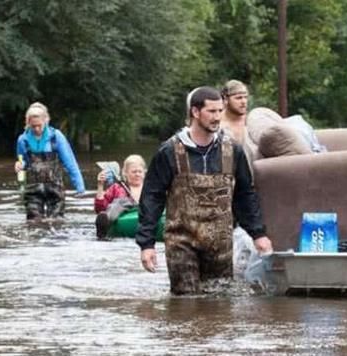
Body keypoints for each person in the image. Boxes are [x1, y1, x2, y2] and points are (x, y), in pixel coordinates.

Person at [136, 86, 273, 295]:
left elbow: (245, 196)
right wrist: (146, 244)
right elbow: (152, 198)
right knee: (186, 306)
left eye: (220, 111)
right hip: (181, 243)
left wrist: (258, 234)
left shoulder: (232, 151)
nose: (217, 117)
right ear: (195, 112)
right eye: (211, 111)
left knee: (219, 307)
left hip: (220, 246)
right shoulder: (169, 151)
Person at [14, 102, 85, 220]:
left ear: (46, 121)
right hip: (33, 189)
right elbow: (24, 162)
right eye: (33, 126)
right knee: (33, 222)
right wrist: (19, 165)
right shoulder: (23, 140)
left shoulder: (56, 137)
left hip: (55, 188)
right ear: (28, 123)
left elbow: (70, 162)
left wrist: (79, 186)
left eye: (39, 125)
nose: (37, 129)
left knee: (57, 221)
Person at [94, 154, 147, 239]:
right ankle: (105, 224)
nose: (137, 174)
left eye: (140, 171)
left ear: (144, 172)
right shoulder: (117, 188)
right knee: (120, 202)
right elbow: (100, 209)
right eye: (134, 172)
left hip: (146, 212)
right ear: (125, 173)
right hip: (123, 214)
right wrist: (100, 186)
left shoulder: (151, 188)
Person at [221, 79, 249, 144]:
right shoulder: (216, 123)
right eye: (238, 98)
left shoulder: (250, 122)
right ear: (226, 99)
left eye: (245, 97)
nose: (243, 102)